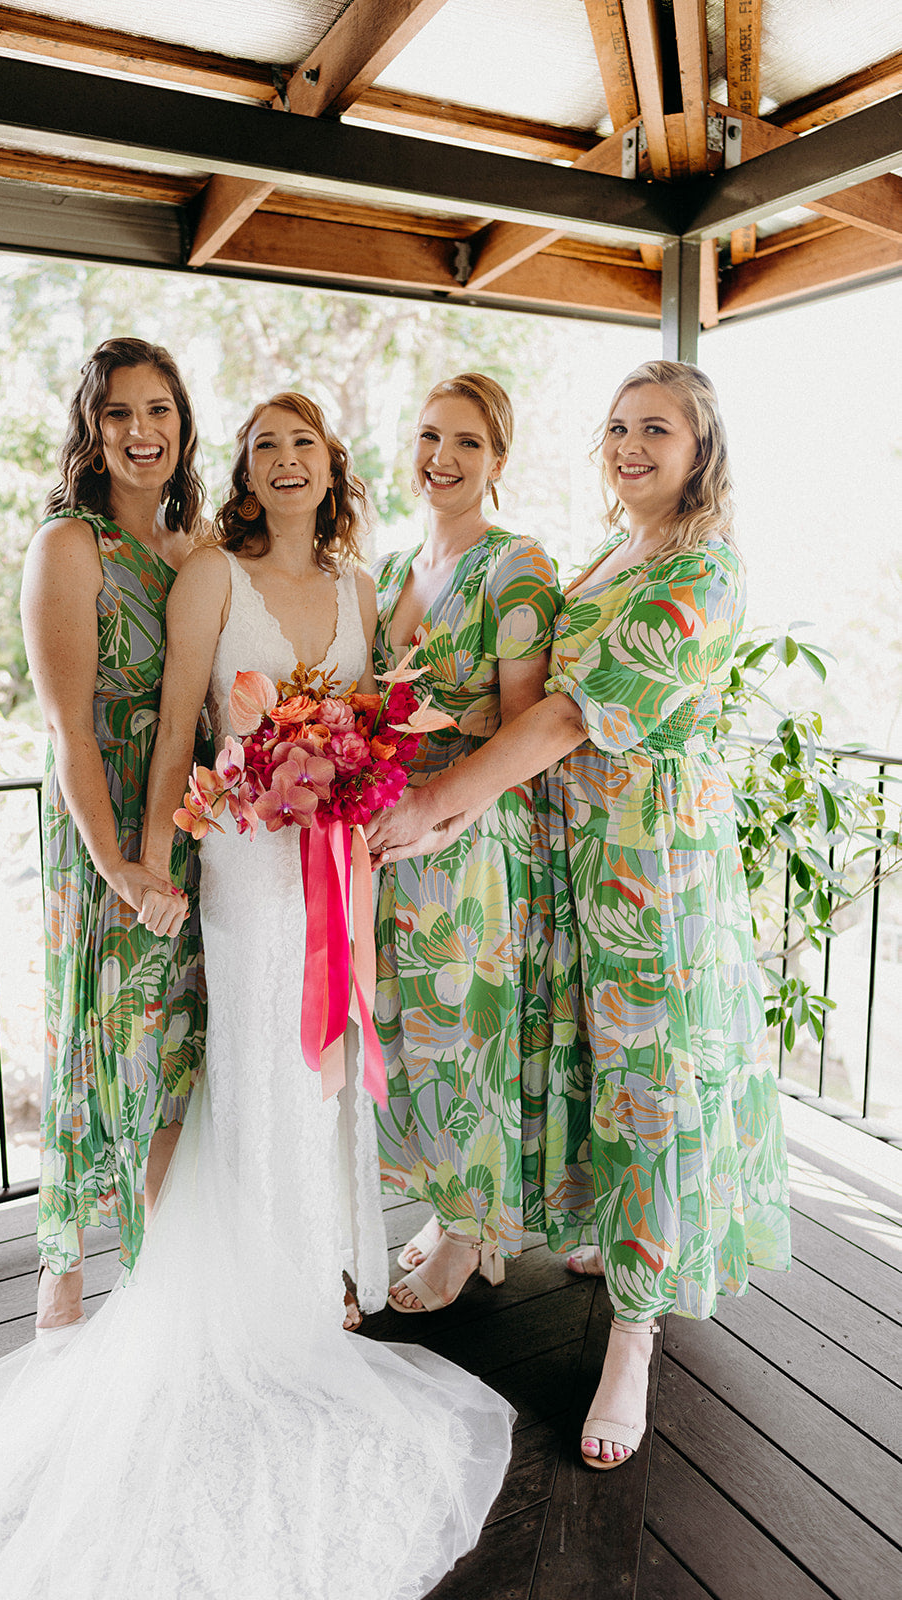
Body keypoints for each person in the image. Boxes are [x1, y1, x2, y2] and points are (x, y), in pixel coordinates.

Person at [0, 394, 514, 1600]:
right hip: (248, 866)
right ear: (245, 470)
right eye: (264, 445)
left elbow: (376, 720)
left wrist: (358, 773)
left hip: (337, 867)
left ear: (332, 464)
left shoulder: (363, 585)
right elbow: (170, 738)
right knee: (256, 1056)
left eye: (303, 441)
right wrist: (150, 865)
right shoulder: (212, 570)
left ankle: (319, 1286)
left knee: (322, 1071)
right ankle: (252, 1310)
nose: (285, 459)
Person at [368, 360, 791, 1469]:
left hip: (652, 862)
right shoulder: (613, 554)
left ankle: (633, 1343)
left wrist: (446, 799)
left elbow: (564, 711)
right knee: (588, 1063)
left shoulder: (704, 569)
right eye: (614, 427)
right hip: (568, 851)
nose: (628, 446)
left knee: (647, 1083)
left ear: (700, 449)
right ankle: (594, 1236)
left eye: (654, 429)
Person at [19, 337, 208, 1337]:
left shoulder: (193, 546)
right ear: (91, 430)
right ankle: (64, 1272)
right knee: (106, 1031)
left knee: (175, 1044)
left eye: (159, 412)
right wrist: (122, 866)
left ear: (182, 426)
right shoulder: (67, 545)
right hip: (107, 825)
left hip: (190, 824)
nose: (141, 432)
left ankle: (160, 1275)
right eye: (119, 413)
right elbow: (70, 728)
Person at [372, 373, 563, 1314]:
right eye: (428, 437)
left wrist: (446, 805)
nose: (440, 459)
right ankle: (449, 1201)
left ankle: (470, 1232)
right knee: (406, 1035)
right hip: (386, 832)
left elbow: (523, 730)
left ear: (498, 460)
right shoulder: (390, 570)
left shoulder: (514, 565)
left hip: (470, 838)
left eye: (466, 444)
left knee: (462, 1032)